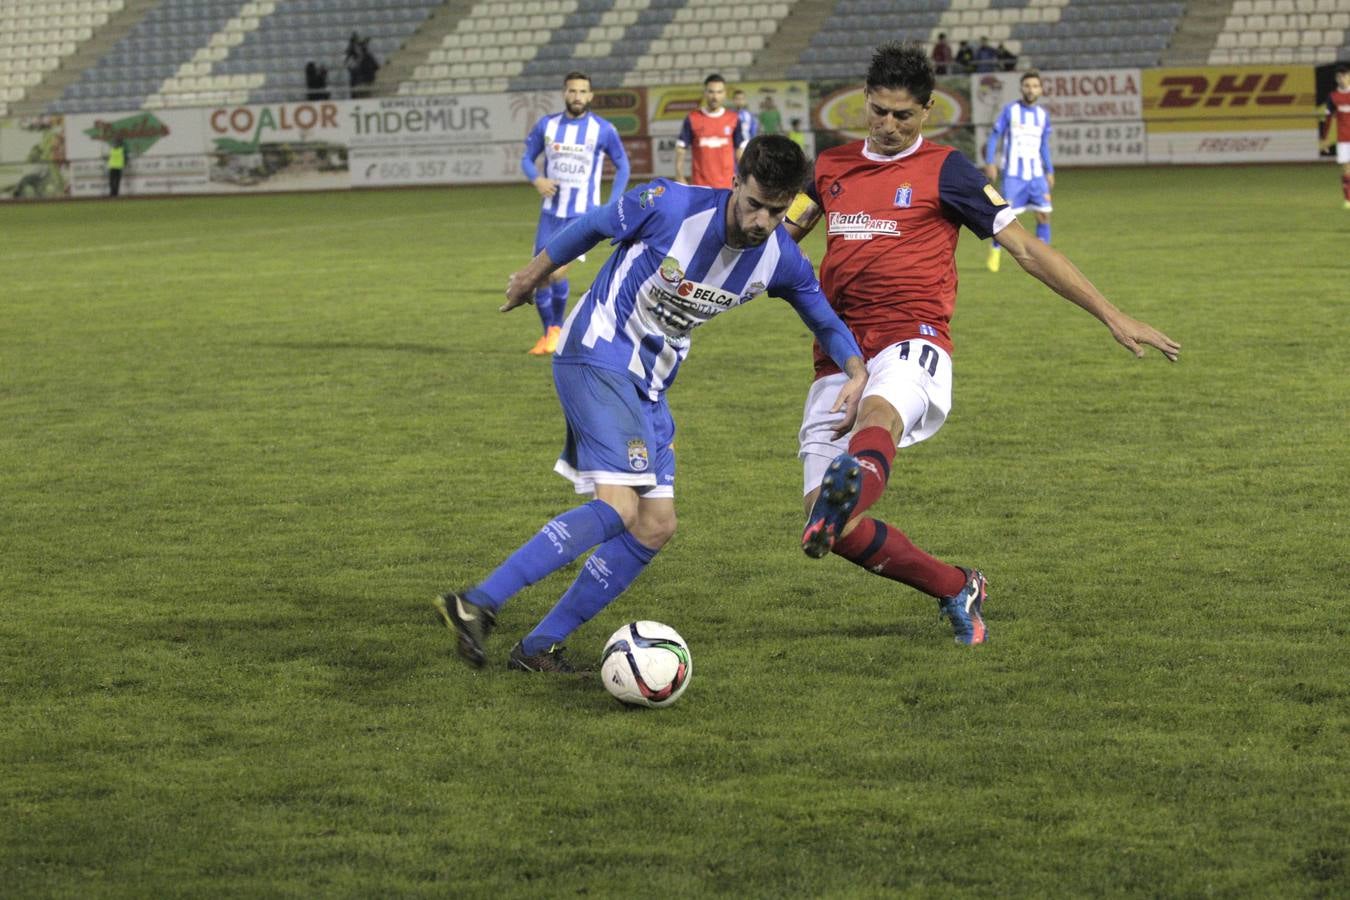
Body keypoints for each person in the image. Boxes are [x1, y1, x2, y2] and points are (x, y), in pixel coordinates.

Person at [782, 43, 1179, 645]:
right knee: (828, 526)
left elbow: (1025, 248)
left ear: (928, 110)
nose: (889, 127)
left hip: (914, 340)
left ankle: (852, 477)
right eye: (880, 112)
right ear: (864, 102)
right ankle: (955, 585)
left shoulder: (949, 171)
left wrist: (1110, 313)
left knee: (879, 414)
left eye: (904, 116)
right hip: (840, 353)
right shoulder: (828, 168)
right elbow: (777, 238)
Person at [435, 135, 867, 673]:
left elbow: (824, 319)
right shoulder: (669, 204)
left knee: (655, 524)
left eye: (776, 211)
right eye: (754, 203)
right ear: (735, 182)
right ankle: (477, 601)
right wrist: (532, 274)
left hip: (650, 385)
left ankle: (538, 646)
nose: (761, 220)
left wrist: (856, 370)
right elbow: (593, 224)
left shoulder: (780, 258)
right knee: (619, 507)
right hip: (596, 353)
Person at [519, 71, 631, 356]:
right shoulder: (547, 125)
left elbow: (623, 165)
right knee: (540, 275)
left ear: (590, 96)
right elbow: (527, 158)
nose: (577, 96)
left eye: (583, 92)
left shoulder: (602, 129)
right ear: (564, 93)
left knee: (555, 270)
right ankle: (550, 334)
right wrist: (537, 180)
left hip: (582, 215)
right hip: (551, 213)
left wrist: (612, 203)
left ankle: (556, 332)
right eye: (572, 91)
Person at [983, 70, 1052, 273]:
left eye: (1035, 86)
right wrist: (990, 162)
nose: (1031, 89)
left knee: (1044, 216)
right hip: (1013, 175)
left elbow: (1044, 145)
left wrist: (1050, 170)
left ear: (1040, 90)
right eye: (1027, 86)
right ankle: (995, 250)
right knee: (1005, 219)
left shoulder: (1042, 116)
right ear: (1022, 88)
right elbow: (995, 136)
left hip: (1037, 175)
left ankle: (1045, 258)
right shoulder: (1010, 110)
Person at [674, 73, 744, 188]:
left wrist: (744, 177)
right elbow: (681, 148)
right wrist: (679, 175)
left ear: (725, 94)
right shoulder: (693, 118)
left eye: (719, 92)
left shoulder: (734, 119)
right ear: (705, 93)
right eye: (711, 92)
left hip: (727, 186)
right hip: (700, 187)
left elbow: (739, 151)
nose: (715, 96)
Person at [1320, 64, 1350, 210]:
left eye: (1344, 76)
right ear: (1336, 79)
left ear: (1349, 77)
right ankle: (1348, 199)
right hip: (1343, 139)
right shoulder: (1333, 97)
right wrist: (1324, 139)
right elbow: (1328, 119)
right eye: (1339, 77)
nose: (1342, 79)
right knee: (1346, 170)